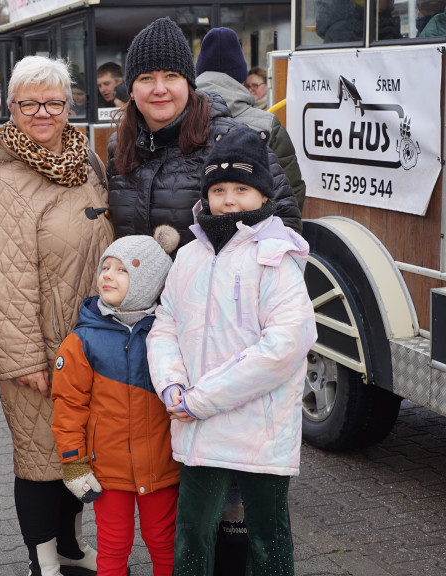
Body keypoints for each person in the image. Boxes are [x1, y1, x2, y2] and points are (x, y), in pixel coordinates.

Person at [146, 127, 317, 576]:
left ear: (262, 195)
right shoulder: (189, 255)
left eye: (242, 188)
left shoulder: (275, 257)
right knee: (194, 534)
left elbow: (285, 346)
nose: (229, 199)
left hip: (260, 429)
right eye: (219, 189)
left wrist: (201, 399)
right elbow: (165, 324)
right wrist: (171, 384)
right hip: (196, 425)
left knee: (268, 536)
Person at [0, 54, 114, 576]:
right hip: (38, 348)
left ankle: (72, 548)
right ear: (11, 108)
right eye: (29, 103)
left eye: (53, 101)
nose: (42, 112)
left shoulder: (86, 162)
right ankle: (43, 561)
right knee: (38, 460)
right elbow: (3, 283)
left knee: (76, 452)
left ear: (69, 105)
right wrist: (25, 359)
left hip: (89, 342)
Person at [50, 226, 181, 576]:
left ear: (148, 281)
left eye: (123, 269)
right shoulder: (83, 340)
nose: (108, 275)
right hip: (107, 470)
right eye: (106, 267)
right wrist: (73, 463)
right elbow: (68, 407)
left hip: (161, 466)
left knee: (164, 540)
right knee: (113, 544)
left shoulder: (166, 334)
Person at [107, 17, 301, 250]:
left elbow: (284, 223)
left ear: (189, 84)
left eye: (171, 76)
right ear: (131, 90)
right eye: (146, 78)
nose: (159, 89)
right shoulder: (119, 145)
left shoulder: (233, 140)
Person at [195, 27, 306, 209]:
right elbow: (291, 191)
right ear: (241, 76)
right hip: (258, 234)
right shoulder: (268, 124)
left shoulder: (176, 120)